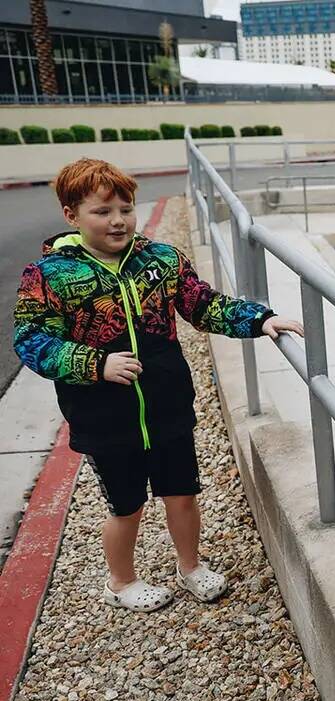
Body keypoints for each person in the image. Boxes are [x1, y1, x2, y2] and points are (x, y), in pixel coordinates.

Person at [13, 158, 304, 612]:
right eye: (102, 211)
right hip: (103, 417)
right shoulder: (48, 275)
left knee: (182, 492)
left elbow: (203, 305)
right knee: (125, 506)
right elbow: (30, 340)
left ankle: (190, 566)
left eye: (125, 209)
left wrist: (261, 319)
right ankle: (122, 580)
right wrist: (94, 363)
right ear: (71, 215)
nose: (118, 221)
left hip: (167, 405)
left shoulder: (161, 260)